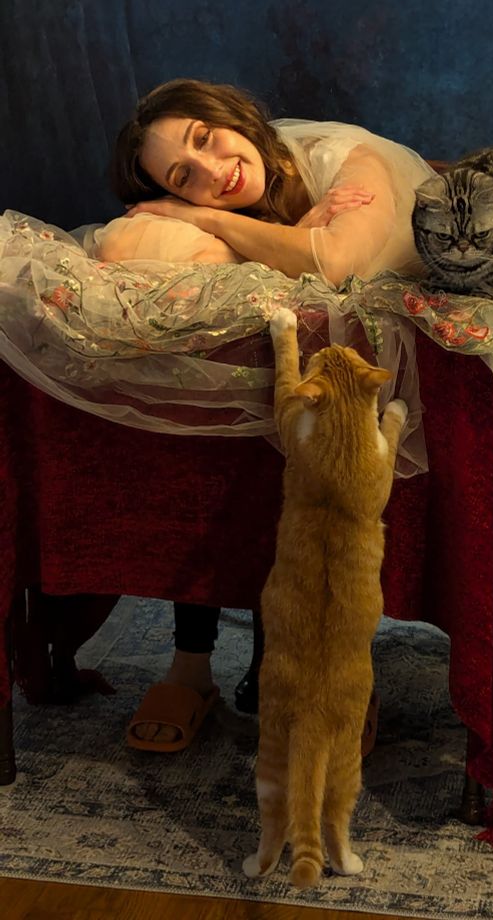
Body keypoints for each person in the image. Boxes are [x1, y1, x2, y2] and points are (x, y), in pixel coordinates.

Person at [106, 78, 435, 753]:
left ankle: (319, 669)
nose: (212, 171)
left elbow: (334, 263)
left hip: (370, 377)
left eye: (205, 138)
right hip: (271, 366)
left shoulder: (348, 159)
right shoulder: (239, 194)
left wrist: (209, 222)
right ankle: (190, 667)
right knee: (200, 439)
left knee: (315, 460)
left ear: (229, 114)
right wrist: (274, 240)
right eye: (182, 178)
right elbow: (147, 256)